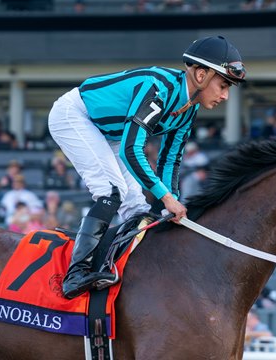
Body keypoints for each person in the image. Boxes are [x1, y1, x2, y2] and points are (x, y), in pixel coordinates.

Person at [47, 35, 246, 298]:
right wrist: (165, 198)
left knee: (138, 208)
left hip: (111, 133)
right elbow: (132, 149)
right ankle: (76, 273)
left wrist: (171, 202)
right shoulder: (158, 88)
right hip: (75, 115)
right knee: (111, 192)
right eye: (223, 85)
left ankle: (123, 266)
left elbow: (170, 159)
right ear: (200, 75)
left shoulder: (188, 110)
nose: (225, 96)